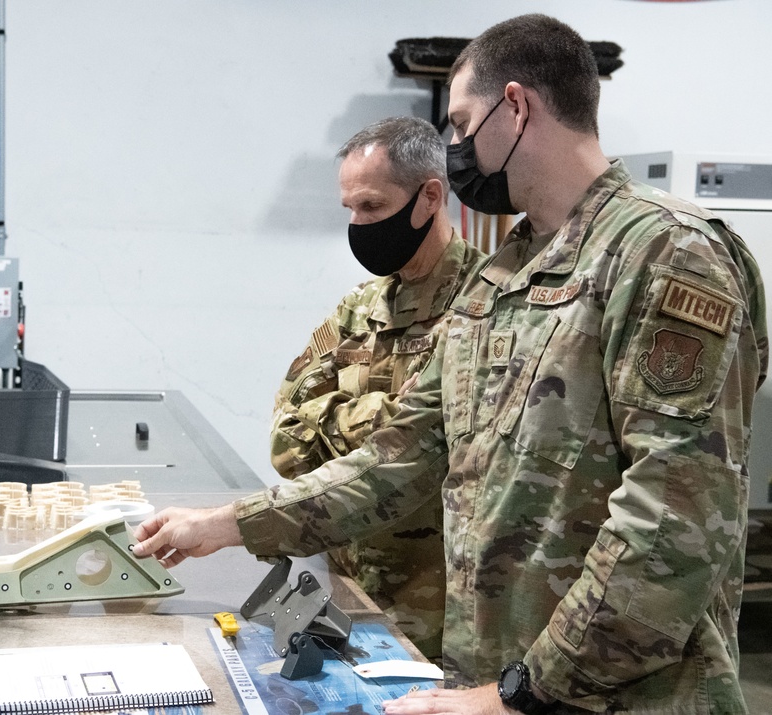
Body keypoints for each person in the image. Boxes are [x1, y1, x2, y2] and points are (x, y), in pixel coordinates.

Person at [134, 14, 767, 714]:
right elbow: (397, 457)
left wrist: (516, 694)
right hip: (493, 680)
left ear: (517, 106)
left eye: (463, 124)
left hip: (613, 697)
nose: (456, 148)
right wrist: (226, 524)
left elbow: (671, 524)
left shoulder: (663, 254)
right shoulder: (500, 280)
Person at [270, 116, 485, 660]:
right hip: (346, 588)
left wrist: (340, 420)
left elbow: (435, 456)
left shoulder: (486, 309)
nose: (357, 223)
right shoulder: (359, 308)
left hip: (441, 615)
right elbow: (286, 442)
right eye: (349, 208)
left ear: (429, 197)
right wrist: (378, 419)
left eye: (371, 207)